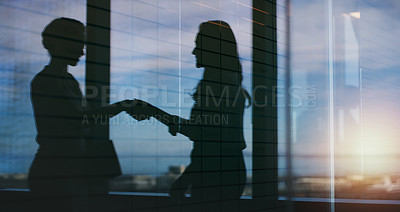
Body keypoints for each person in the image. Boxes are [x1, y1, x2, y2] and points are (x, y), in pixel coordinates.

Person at [28, 17, 147, 212]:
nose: (82, 52)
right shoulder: (48, 81)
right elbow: (79, 121)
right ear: (62, 42)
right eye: (78, 44)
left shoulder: (68, 81)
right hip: (56, 173)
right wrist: (123, 106)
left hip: (68, 171)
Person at [150, 20, 251, 211]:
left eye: (199, 45)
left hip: (217, 174)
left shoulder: (218, 87)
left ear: (213, 49)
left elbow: (207, 136)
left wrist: (155, 114)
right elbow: (209, 136)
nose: (194, 51)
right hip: (224, 170)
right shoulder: (226, 83)